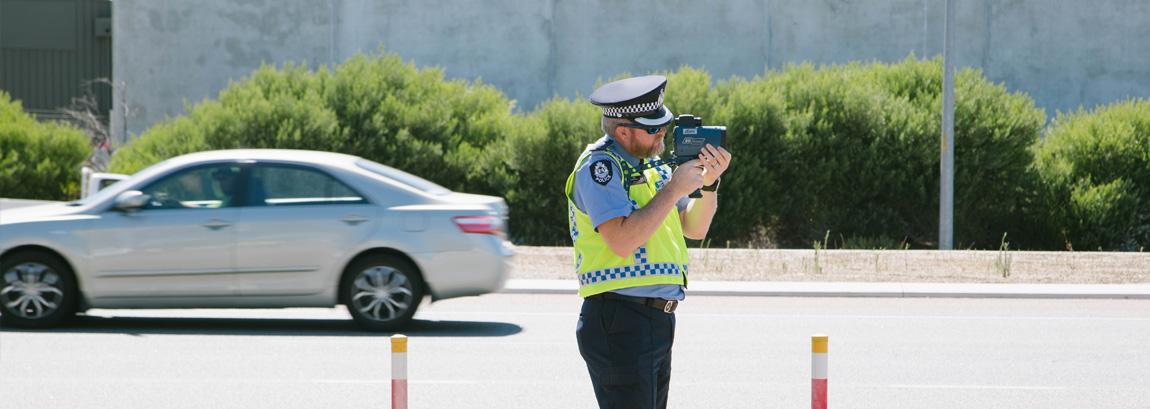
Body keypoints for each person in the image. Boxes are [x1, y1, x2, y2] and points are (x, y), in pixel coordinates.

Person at [566, 75, 732, 408]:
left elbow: (693, 228)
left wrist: (710, 185)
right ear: (623, 131)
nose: (661, 134)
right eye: (652, 128)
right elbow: (622, 241)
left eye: (662, 126)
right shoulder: (601, 167)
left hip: (654, 320)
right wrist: (673, 190)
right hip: (620, 319)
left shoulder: (654, 168)